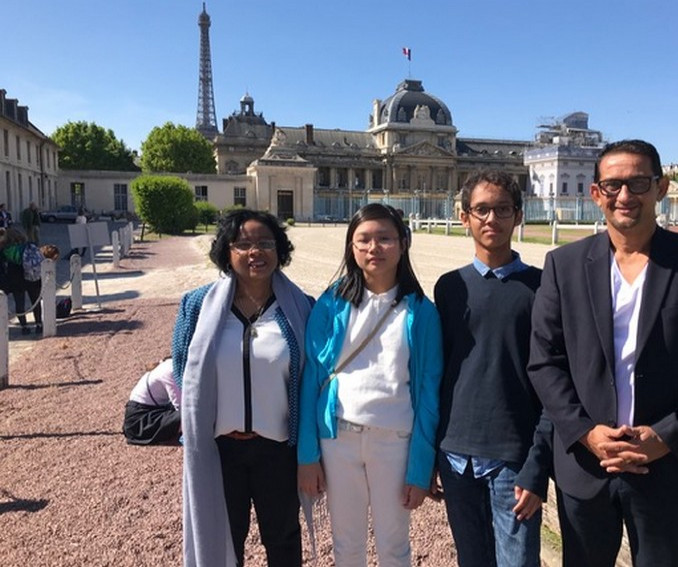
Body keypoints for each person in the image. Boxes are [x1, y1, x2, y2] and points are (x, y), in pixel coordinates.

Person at [527, 139, 678, 566]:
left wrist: (668, 435)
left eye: (638, 183)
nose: (624, 196)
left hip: (671, 468)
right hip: (589, 465)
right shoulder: (564, 265)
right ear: (596, 194)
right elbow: (545, 359)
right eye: (612, 186)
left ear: (660, 188)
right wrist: (586, 433)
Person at [298, 203, 442, 567]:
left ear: (403, 243)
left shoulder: (422, 312)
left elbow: (428, 394)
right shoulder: (331, 304)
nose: (373, 248)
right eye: (363, 240)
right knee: (347, 546)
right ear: (351, 247)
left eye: (384, 238)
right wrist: (307, 455)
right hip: (338, 440)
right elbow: (312, 378)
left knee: (395, 546)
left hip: (394, 443)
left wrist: (421, 467)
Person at [172, 209, 313, 567]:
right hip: (219, 450)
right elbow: (182, 372)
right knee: (222, 541)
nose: (256, 252)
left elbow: (311, 378)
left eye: (266, 243)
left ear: (280, 250)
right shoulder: (196, 306)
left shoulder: (300, 307)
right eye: (243, 244)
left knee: (282, 541)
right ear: (226, 252)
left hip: (278, 450)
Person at [434, 170, 550, 567]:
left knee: (517, 562)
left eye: (502, 209)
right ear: (464, 217)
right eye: (481, 210)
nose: (491, 219)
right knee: (472, 559)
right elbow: (442, 374)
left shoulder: (541, 287)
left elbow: (553, 382)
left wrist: (537, 465)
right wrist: (432, 452)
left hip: (512, 454)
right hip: (455, 452)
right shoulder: (450, 287)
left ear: (518, 216)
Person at [123, 357, 182, 445]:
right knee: (188, 416)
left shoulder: (168, 366)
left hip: (147, 411)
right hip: (140, 421)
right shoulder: (170, 370)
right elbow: (180, 405)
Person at [0, 227, 43, 335]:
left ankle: (24, 327)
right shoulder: (29, 246)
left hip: (15, 278)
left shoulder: (5, 250)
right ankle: (39, 324)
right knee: (35, 301)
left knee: (19, 303)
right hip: (32, 276)